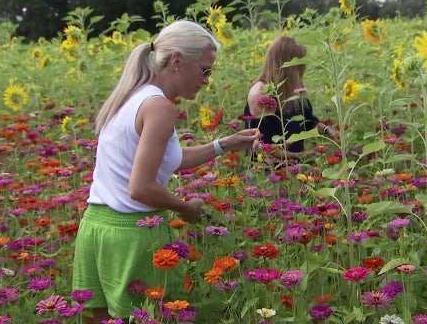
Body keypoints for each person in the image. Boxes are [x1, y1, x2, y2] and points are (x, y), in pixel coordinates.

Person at [73, 20, 261, 323]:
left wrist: (222, 145)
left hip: (96, 229)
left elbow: (161, 160)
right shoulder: (160, 108)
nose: (206, 81)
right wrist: (185, 208)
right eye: (204, 70)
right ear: (176, 61)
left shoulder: (132, 96)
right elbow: (141, 188)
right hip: (133, 235)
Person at [242, 35, 339, 162]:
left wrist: (327, 130)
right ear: (289, 66)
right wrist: (302, 156)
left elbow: (308, 120)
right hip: (266, 170)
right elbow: (262, 145)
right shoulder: (260, 93)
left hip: (294, 167)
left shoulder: (294, 89)